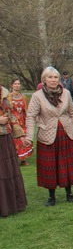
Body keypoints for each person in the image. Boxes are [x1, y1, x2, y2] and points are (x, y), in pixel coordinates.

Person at [23, 67, 73, 206]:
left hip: (66, 134)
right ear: (44, 80)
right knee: (50, 166)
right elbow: (30, 116)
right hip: (47, 135)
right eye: (50, 77)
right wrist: (29, 137)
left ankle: (69, 193)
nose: (53, 80)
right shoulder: (37, 96)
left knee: (66, 165)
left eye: (55, 77)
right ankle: (51, 196)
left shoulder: (66, 93)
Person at [0, 84, 27, 217]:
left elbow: (11, 115)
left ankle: (11, 204)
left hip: (6, 137)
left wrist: (20, 134)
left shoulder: (3, 93)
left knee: (8, 170)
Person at [9, 79, 33, 164]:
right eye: (15, 84)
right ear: (12, 85)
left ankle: (23, 159)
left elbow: (26, 110)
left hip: (23, 120)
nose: (17, 85)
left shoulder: (23, 97)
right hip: (13, 121)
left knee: (25, 139)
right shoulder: (9, 97)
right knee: (16, 140)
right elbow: (8, 110)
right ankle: (15, 159)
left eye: (18, 84)